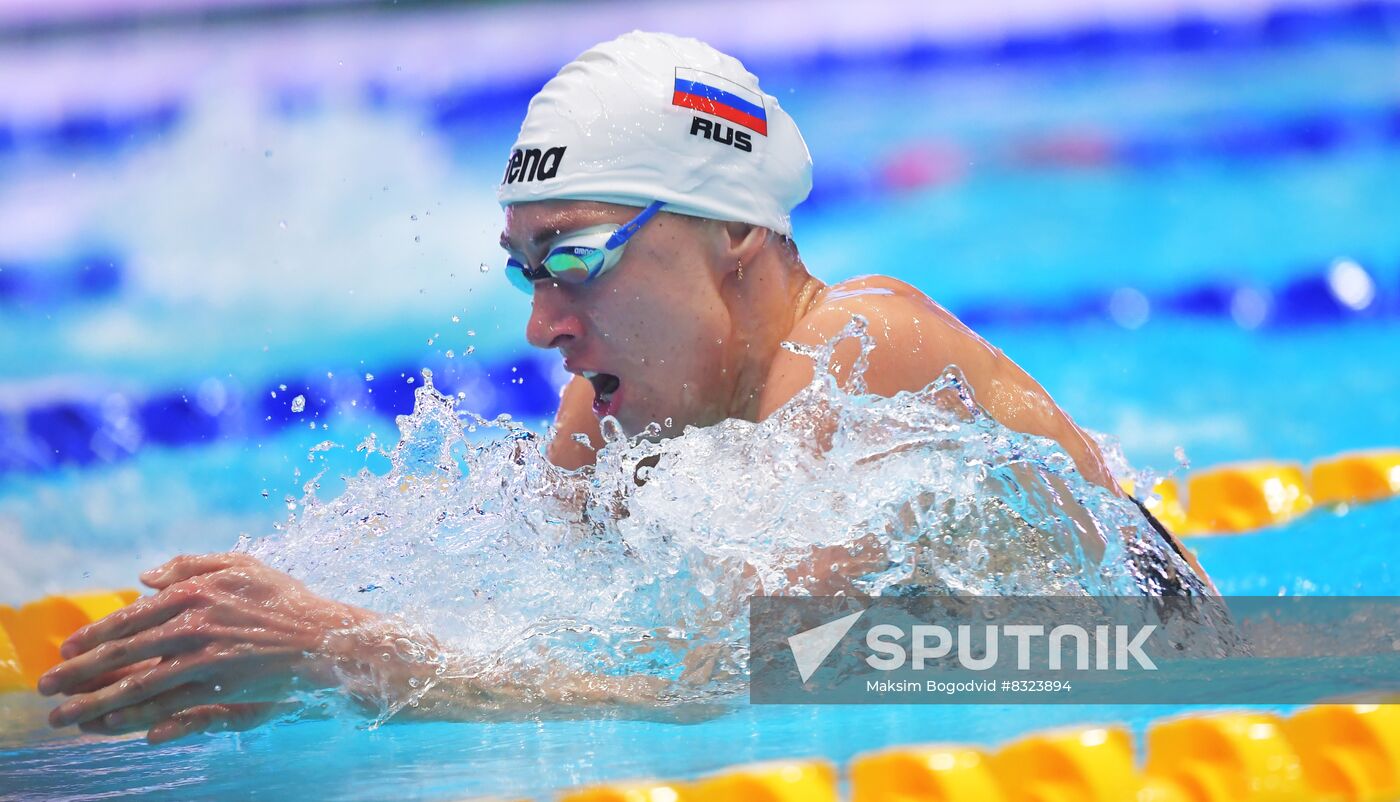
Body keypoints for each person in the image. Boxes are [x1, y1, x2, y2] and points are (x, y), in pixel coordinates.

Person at [39, 31, 1213, 744]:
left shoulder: (862, 350)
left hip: (1177, 688)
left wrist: (343, 649)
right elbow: (511, 620)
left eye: (575, 258)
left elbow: (714, 685)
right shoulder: (615, 405)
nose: (542, 323)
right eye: (524, 269)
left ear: (732, 235)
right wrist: (273, 661)